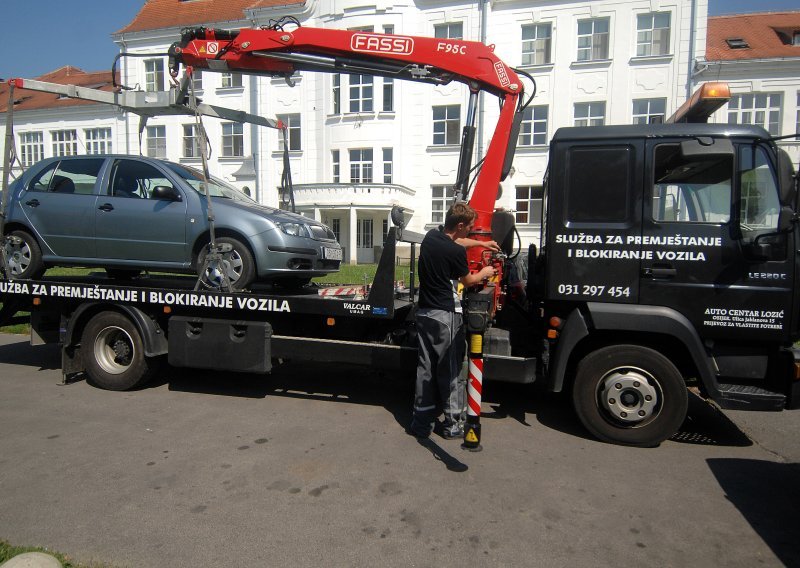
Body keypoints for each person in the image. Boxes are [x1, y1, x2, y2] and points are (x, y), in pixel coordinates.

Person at [409, 202, 500, 439]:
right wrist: (486, 272)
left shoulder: (431, 237)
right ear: (460, 225)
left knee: (425, 370)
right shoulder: (455, 253)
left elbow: (457, 242)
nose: (470, 232)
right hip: (446, 317)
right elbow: (469, 281)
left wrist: (481, 243)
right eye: (469, 227)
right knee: (450, 372)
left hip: (425, 313)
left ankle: (420, 423)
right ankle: (452, 425)